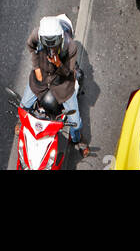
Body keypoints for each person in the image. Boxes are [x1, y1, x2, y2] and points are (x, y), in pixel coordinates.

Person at [20, 15, 89, 155]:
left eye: (54, 45)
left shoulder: (71, 47)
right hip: (41, 79)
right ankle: (22, 125)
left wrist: (58, 64)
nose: (51, 49)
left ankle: (77, 139)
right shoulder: (35, 35)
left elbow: (68, 73)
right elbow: (30, 46)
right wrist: (36, 68)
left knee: (76, 123)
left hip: (62, 84)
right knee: (23, 106)